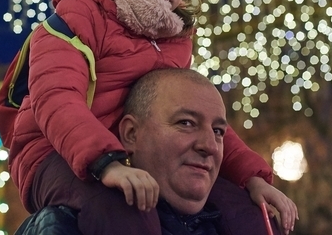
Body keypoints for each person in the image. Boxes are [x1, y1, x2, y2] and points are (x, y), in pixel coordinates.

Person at [7, 0, 297, 235]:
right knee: (126, 208)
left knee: (245, 212)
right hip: (55, 151)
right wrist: (106, 163)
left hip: (135, 150)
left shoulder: (171, 39)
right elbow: (56, 100)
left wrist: (252, 177)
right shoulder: (75, 18)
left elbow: (200, 116)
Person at [15, 68, 282, 235]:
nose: (209, 146)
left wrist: (254, 176)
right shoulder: (63, 226)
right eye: (186, 123)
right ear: (131, 134)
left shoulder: (251, 219)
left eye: (218, 132)